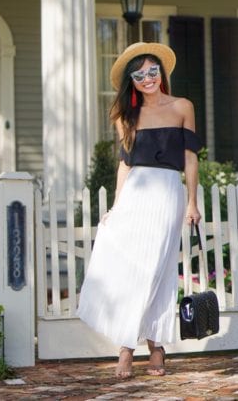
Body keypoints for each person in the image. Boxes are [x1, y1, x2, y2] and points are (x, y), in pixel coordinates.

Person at [77, 42, 201, 378]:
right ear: (131, 80)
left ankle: (151, 346)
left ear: (161, 72)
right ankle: (131, 346)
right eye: (139, 74)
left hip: (166, 193)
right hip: (135, 194)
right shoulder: (127, 116)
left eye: (152, 71)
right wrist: (116, 206)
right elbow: (125, 164)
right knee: (128, 268)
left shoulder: (182, 107)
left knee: (156, 269)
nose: (147, 78)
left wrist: (192, 201)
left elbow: (190, 158)